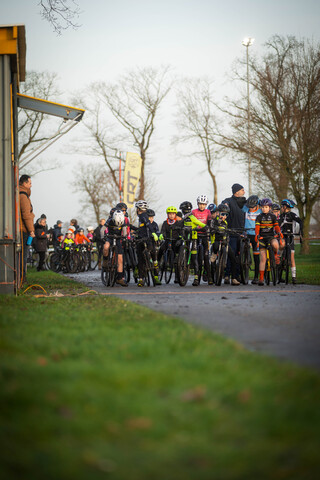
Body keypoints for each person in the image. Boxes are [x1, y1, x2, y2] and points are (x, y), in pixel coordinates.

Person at [255, 198, 284, 286]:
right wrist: (256, 235)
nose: (264, 209)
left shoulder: (273, 216)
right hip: (262, 238)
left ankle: (275, 255)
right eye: (263, 207)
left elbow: (276, 226)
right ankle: (261, 278)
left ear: (270, 208)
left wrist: (279, 232)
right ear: (261, 208)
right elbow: (257, 228)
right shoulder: (259, 217)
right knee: (263, 258)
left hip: (271, 237)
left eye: (266, 207)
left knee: (276, 244)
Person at [210, 204, 240, 285]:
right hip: (216, 240)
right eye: (222, 214)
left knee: (233, 258)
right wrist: (214, 229)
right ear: (218, 213)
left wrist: (232, 231)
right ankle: (212, 274)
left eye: (226, 215)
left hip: (224, 242)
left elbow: (226, 230)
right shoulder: (214, 221)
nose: (224, 216)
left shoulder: (225, 222)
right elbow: (211, 229)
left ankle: (233, 278)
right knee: (215, 248)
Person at [222, 183, 246, 284]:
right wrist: (224, 207)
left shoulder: (245, 202)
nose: (244, 192)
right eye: (242, 190)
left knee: (239, 255)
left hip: (242, 232)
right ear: (236, 191)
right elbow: (223, 206)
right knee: (231, 254)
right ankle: (228, 275)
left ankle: (237, 275)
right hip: (231, 232)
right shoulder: (228, 201)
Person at [179, 201, 207, 286]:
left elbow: (199, 223)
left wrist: (205, 227)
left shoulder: (191, 217)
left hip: (193, 238)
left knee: (195, 257)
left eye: (183, 210)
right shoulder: (184, 219)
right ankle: (183, 264)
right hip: (186, 238)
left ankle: (196, 277)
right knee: (184, 252)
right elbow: (181, 225)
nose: (183, 211)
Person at [278, 199, 303, 284]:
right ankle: (279, 258)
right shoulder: (281, 216)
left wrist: (300, 232)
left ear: (285, 207)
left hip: (291, 236)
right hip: (283, 236)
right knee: (281, 246)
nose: (281, 208)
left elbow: (300, 221)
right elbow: (278, 225)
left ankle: (293, 277)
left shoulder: (292, 215)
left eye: (282, 206)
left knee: (292, 258)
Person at [102, 210, 128, 287]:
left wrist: (125, 237)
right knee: (106, 246)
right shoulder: (109, 220)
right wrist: (102, 237)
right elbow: (102, 229)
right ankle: (106, 260)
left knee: (120, 259)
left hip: (118, 239)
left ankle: (120, 278)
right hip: (110, 237)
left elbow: (124, 231)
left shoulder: (123, 221)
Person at [159, 206, 183, 284]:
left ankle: (177, 276)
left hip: (175, 242)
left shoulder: (178, 223)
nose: (171, 216)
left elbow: (181, 233)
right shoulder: (165, 223)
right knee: (161, 249)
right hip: (167, 240)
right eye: (170, 214)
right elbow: (162, 231)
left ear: (175, 214)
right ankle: (157, 265)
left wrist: (180, 238)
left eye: (173, 214)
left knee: (176, 259)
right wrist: (163, 235)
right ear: (167, 215)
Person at [191, 195, 212, 286]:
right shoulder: (194, 212)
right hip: (196, 234)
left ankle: (209, 277)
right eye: (200, 204)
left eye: (203, 204)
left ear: (206, 205)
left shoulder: (208, 212)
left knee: (206, 257)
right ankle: (196, 278)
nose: (202, 206)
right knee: (196, 257)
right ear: (198, 204)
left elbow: (210, 221)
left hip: (205, 235)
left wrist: (209, 228)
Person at [19, 174, 35, 284]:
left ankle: (22, 278)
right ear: (24, 183)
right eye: (29, 183)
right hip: (23, 231)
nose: (31, 185)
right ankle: (22, 279)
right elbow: (26, 215)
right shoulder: (23, 196)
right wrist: (31, 230)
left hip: (23, 229)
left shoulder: (21, 194)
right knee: (23, 256)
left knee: (23, 255)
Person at [242, 195, 262, 284]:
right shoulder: (245, 209)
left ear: (257, 205)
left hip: (256, 235)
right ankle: (245, 261)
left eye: (252, 207)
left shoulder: (261, 212)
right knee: (242, 251)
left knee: (256, 256)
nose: (250, 209)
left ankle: (256, 277)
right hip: (247, 234)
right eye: (249, 207)